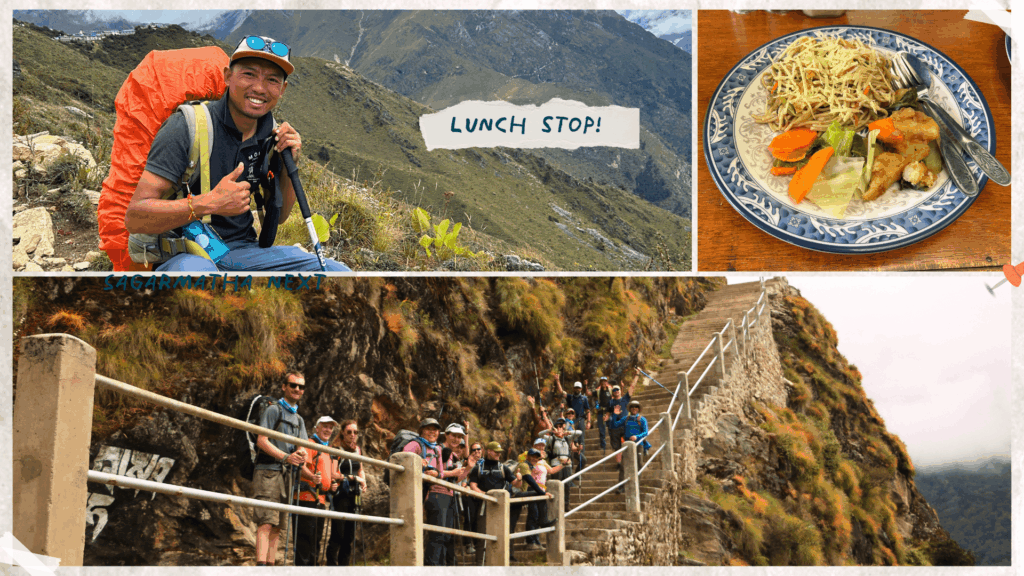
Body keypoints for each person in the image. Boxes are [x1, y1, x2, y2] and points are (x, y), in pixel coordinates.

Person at [124, 35, 350, 272]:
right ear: (228, 76)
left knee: (339, 275)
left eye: (272, 80)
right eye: (249, 74)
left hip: (246, 252)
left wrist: (289, 162)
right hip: (184, 255)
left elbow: (280, 216)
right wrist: (209, 203)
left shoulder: (270, 137)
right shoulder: (186, 127)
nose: (259, 88)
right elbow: (136, 217)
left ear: (282, 89)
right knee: (201, 279)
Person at [252, 372, 310, 566]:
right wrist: (286, 456)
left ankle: (270, 566)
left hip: (287, 475)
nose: (297, 390)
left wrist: (302, 454)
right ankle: (261, 566)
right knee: (266, 521)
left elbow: (302, 446)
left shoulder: (299, 419)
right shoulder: (273, 410)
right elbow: (262, 441)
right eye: (293, 385)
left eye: (301, 387)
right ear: (284, 387)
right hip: (268, 470)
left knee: (278, 524)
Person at [468, 441, 537, 563]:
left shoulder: (503, 468)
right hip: (483, 506)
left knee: (500, 536)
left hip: (500, 507)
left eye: (500, 453)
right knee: (482, 537)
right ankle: (480, 565)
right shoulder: (478, 468)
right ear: (488, 451)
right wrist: (483, 494)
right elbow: (473, 484)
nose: (499, 455)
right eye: (496, 452)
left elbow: (515, 483)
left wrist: (519, 479)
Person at [402, 418, 451, 566]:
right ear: (422, 430)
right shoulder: (415, 445)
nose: (433, 432)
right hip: (412, 491)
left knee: (434, 533)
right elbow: (402, 460)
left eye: (435, 429)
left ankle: (429, 566)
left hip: (429, 492)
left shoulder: (437, 449)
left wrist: (436, 474)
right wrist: (419, 464)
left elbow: (441, 473)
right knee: (413, 530)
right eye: (429, 429)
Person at [292, 416, 336, 566]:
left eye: (330, 427)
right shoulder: (310, 444)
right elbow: (301, 465)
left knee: (315, 541)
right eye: (324, 426)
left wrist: (331, 486)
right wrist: (311, 476)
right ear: (316, 428)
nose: (328, 430)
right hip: (306, 498)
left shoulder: (326, 449)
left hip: (320, 500)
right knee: (304, 540)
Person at [325, 419, 366, 566]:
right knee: (338, 534)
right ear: (342, 432)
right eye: (349, 432)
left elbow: (360, 468)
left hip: (354, 494)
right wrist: (354, 478)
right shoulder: (336, 449)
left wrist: (364, 481)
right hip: (341, 495)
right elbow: (334, 474)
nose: (353, 435)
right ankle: (331, 566)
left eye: (355, 432)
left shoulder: (357, 449)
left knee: (349, 536)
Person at [517, 448, 562, 549]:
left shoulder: (530, 466)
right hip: (521, 493)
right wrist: (543, 493)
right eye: (532, 456)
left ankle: (535, 541)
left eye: (536, 457)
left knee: (534, 515)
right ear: (528, 456)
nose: (534, 458)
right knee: (533, 516)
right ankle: (533, 538)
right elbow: (531, 481)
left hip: (528, 492)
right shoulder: (524, 465)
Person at [609, 400, 651, 493]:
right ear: (630, 409)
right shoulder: (626, 418)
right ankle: (621, 487)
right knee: (623, 465)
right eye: (632, 407)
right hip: (627, 444)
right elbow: (614, 425)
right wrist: (615, 415)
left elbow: (646, 432)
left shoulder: (642, 419)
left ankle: (636, 485)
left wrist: (637, 436)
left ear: (639, 409)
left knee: (639, 465)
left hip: (638, 444)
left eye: (636, 407)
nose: (634, 408)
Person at [540, 419, 575, 513]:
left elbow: (578, 433)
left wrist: (568, 432)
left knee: (567, 485)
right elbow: (540, 435)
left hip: (567, 464)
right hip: (556, 463)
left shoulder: (567, 438)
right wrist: (549, 430)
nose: (559, 429)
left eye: (561, 427)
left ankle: (566, 505)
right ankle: (557, 505)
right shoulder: (552, 438)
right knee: (557, 485)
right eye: (557, 427)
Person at [593, 376, 613, 453]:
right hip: (601, 412)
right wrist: (585, 385)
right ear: (600, 382)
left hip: (609, 412)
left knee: (611, 428)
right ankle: (603, 446)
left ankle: (613, 444)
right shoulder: (598, 391)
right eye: (602, 381)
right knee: (602, 430)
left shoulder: (610, 390)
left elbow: (618, 394)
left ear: (607, 382)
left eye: (605, 381)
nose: (604, 382)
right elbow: (589, 393)